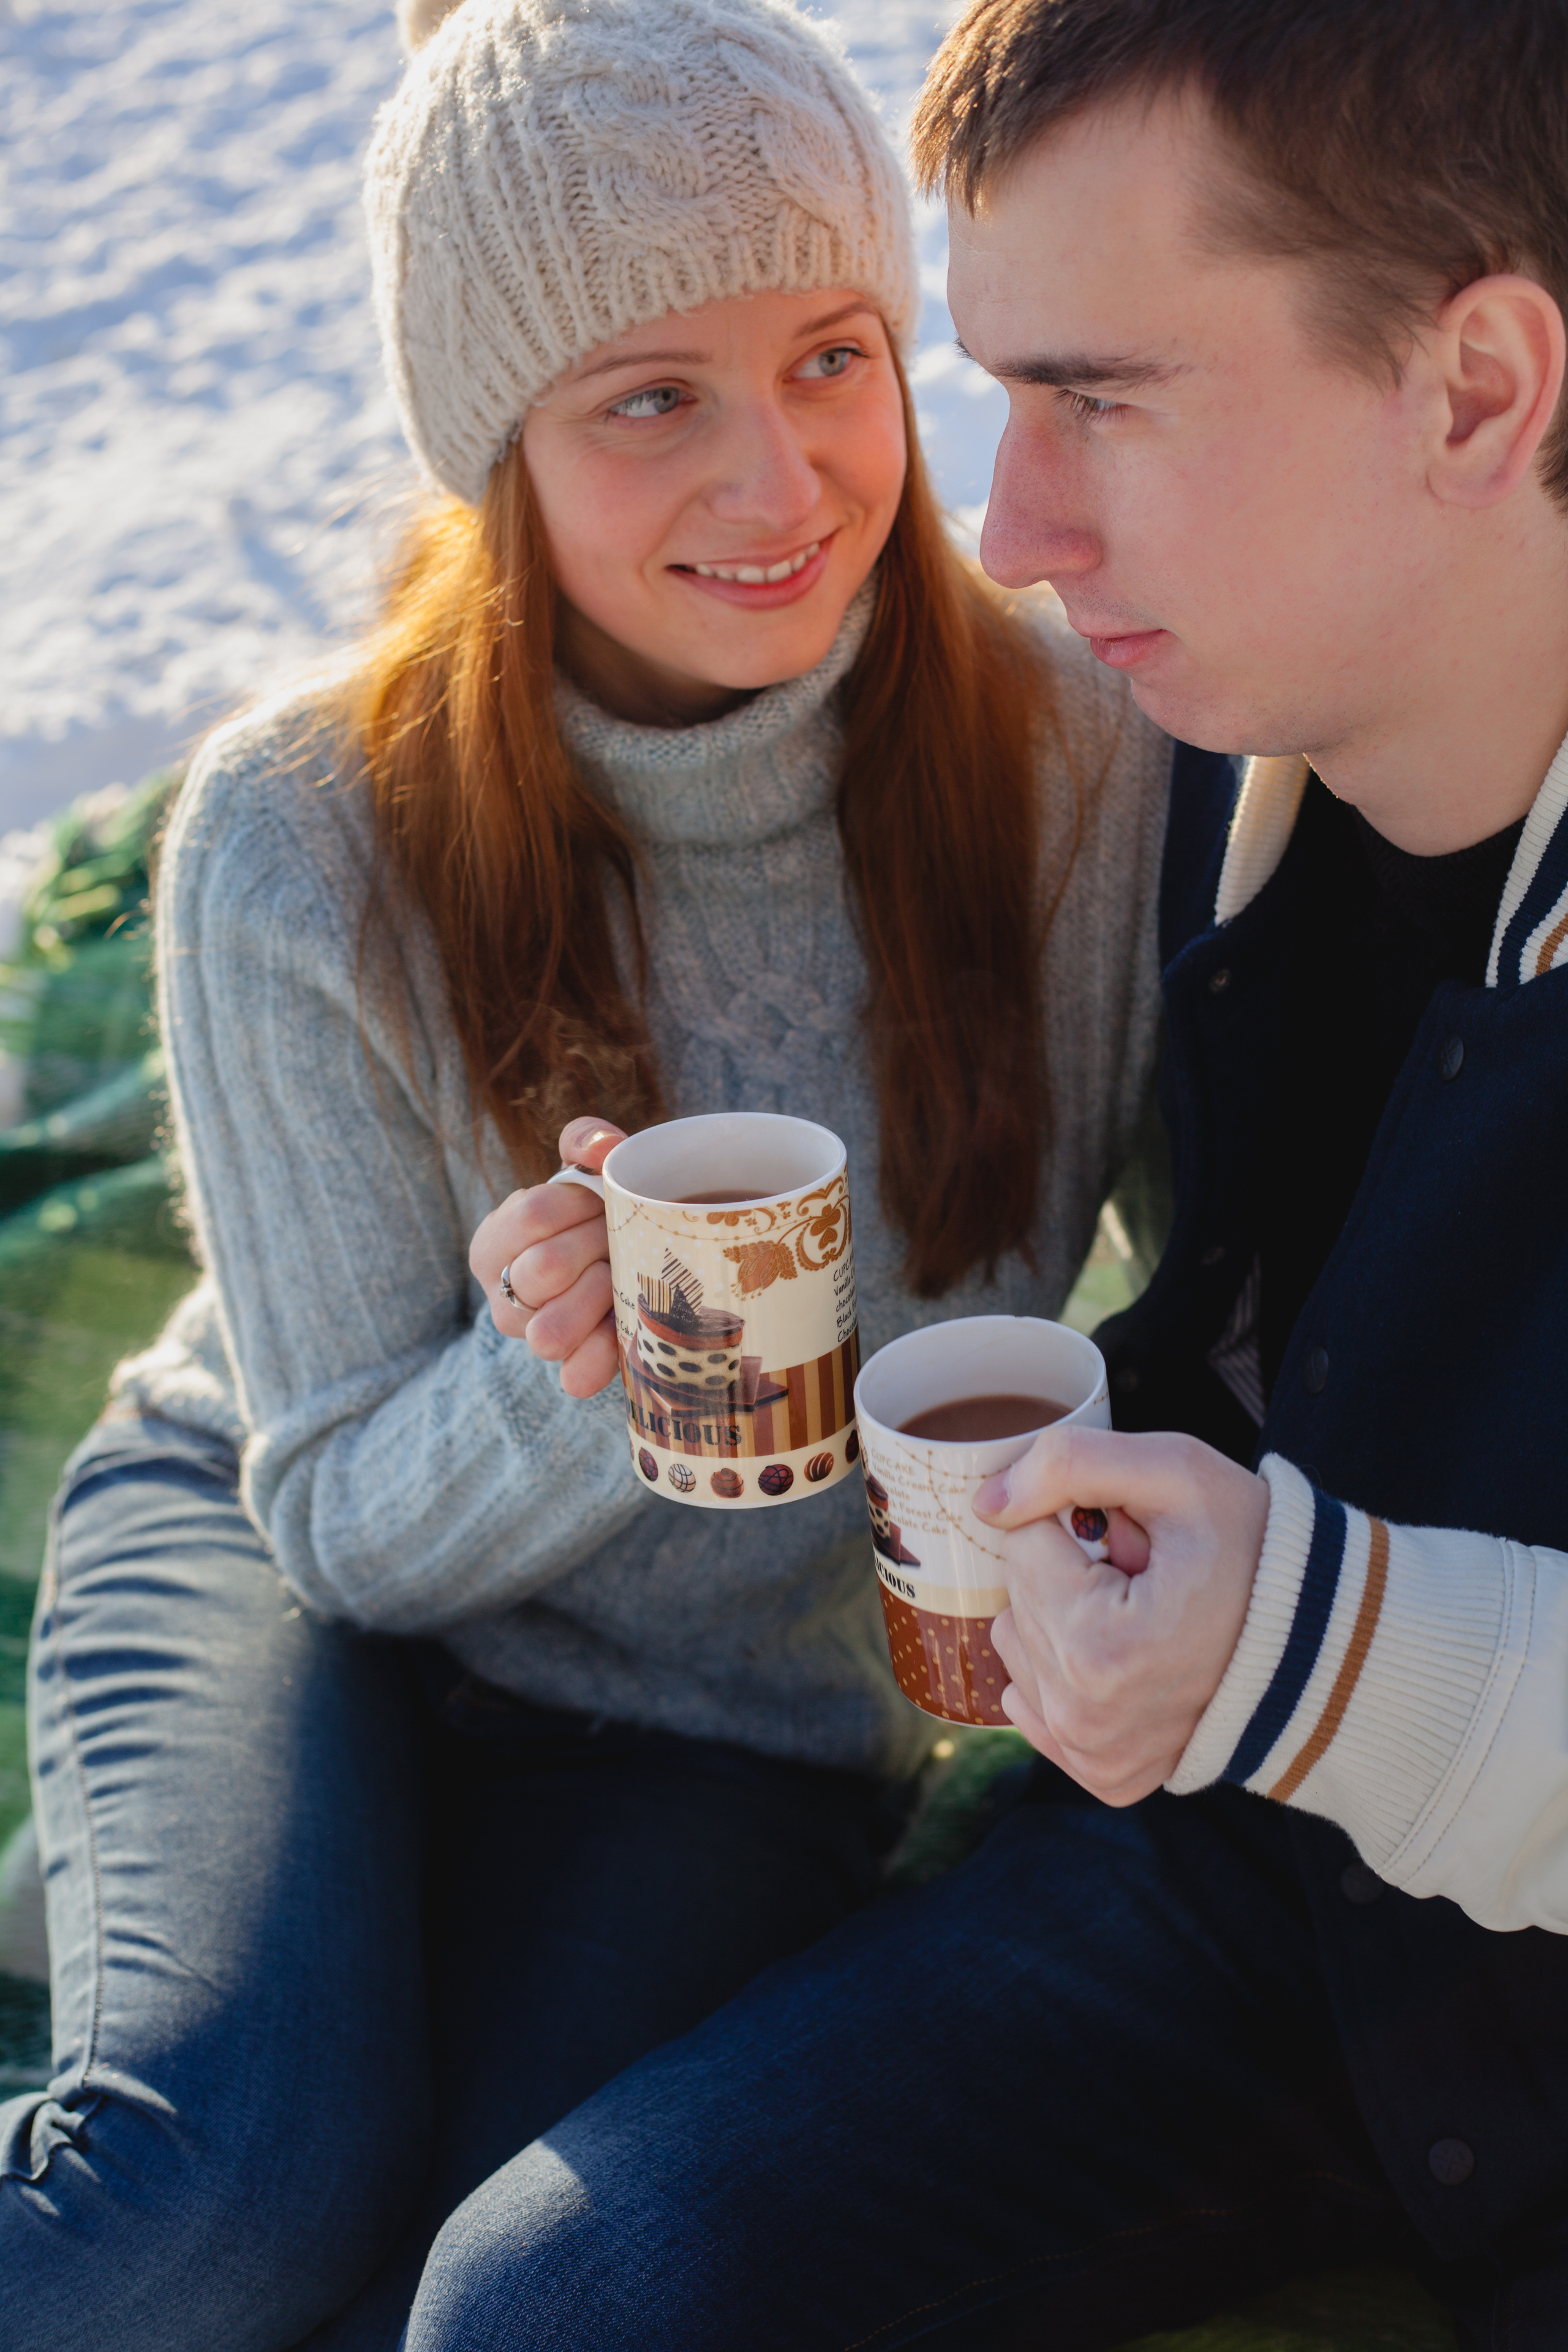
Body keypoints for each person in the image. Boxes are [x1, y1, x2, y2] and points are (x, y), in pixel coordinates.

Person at [391, 1, 1568, 2346]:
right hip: (1250, 1886)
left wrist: (1319, 1657)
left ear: (1474, 391)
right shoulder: (1178, 775)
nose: (999, 526)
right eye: (991, 392)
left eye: (1099, 397)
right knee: (538, 2307)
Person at [0, 1, 1172, 2346]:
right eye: (652, 397)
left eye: (832, 356)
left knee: (450, 2294)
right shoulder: (297, 834)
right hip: (284, 1561)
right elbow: (324, 1498)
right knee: (195, 2215)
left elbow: (1081, 1287)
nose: (785, 481)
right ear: (496, 450)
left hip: (720, 1718)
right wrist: (580, 1379)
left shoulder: (1074, 745)